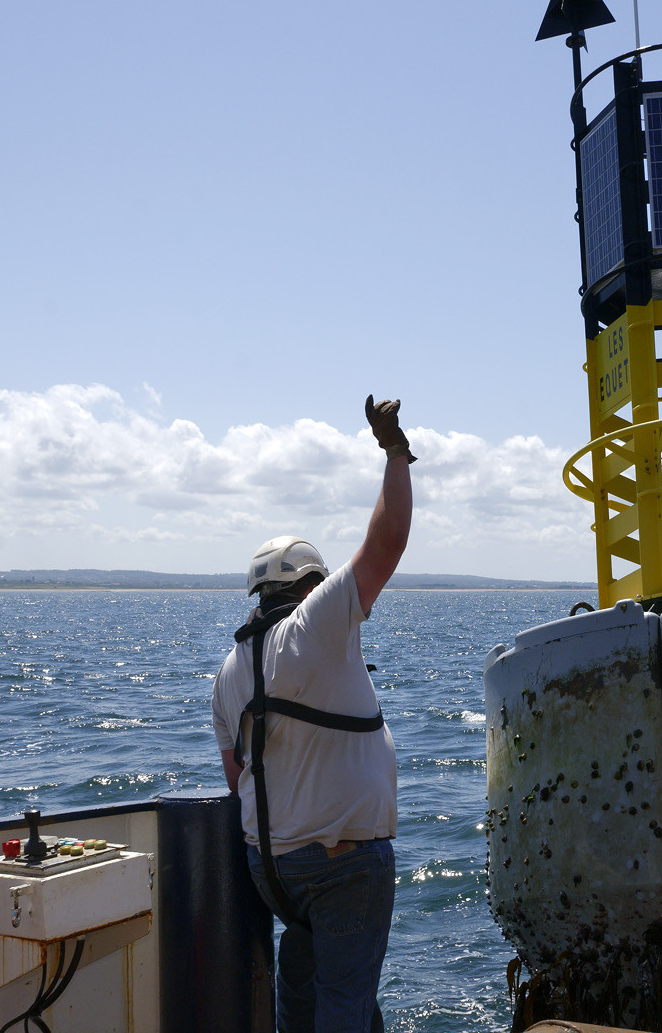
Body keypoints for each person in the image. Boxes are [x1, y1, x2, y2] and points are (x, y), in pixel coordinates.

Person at [212, 395, 415, 1033]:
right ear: (307, 585)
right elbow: (387, 542)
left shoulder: (228, 672)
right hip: (343, 865)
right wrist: (395, 453)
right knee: (345, 1010)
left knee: (306, 1000)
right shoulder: (316, 622)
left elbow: (236, 778)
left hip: (271, 871)